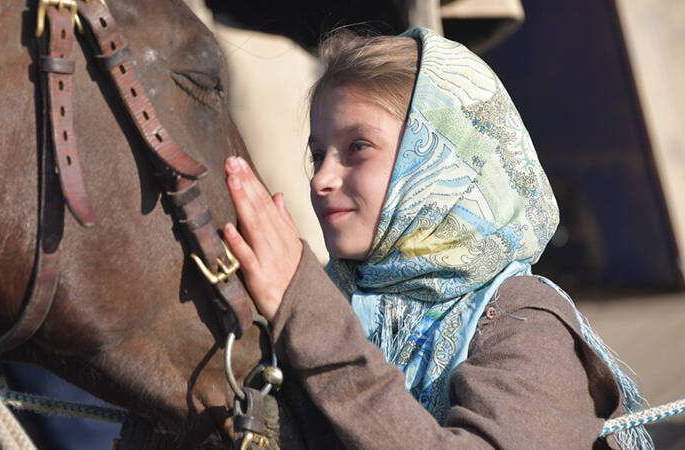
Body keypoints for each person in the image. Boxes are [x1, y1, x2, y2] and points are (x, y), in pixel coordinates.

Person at [222, 28, 651, 449]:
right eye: (318, 155)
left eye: (357, 147)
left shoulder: (523, 321)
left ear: (445, 160)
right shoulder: (330, 299)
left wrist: (306, 317)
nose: (321, 179)